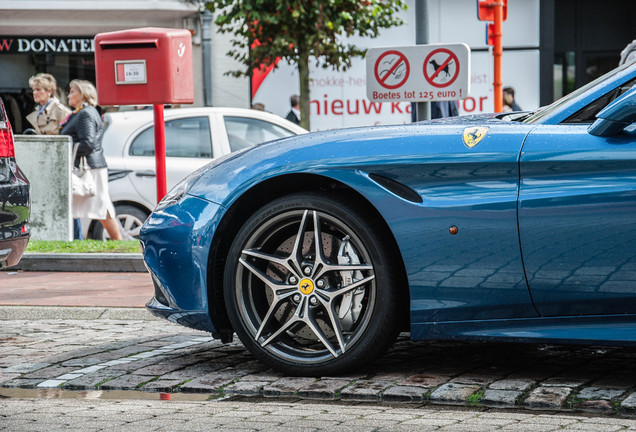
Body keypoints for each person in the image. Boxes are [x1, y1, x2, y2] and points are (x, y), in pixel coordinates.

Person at [60, 79, 122, 240]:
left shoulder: (85, 113)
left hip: (89, 167)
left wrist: (64, 146)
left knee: (101, 204)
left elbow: (88, 143)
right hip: (91, 165)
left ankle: (117, 239)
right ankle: (116, 239)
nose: (69, 95)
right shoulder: (84, 112)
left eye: (73, 91)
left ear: (83, 94)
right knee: (101, 205)